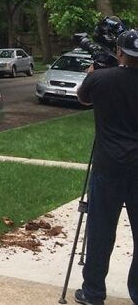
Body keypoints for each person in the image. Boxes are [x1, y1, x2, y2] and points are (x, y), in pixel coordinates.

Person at [75, 29, 138, 305]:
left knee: (100, 231)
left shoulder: (100, 78)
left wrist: (94, 71)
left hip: (108, 165)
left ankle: (93, 294)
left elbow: (82, 98)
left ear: (120, 52)